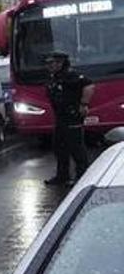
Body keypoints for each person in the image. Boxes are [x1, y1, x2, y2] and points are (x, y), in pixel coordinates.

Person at [43, 51, 94, 187]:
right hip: (60, 117)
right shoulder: (54, 77)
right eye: (48, 63)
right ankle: (62, 176)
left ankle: (82, 177)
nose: (49, 66)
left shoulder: (72, 75)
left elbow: (89, 85)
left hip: (72, 117)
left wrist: (84, 104)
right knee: (59, 147)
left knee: (76, 148)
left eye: (51, 63)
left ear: (61, 63)